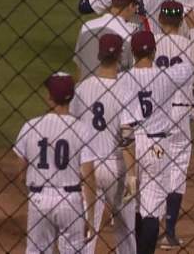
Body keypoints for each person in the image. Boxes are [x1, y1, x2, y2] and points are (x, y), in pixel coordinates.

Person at [117, 31, 194, 254]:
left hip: (132, 146)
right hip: (157, 149)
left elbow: (123, 124)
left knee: (133, 205)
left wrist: (131, 171)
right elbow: (193, 63)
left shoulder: (123, 79)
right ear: (154, 52)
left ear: (133, 53)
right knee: (152, 210)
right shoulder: (168, 76)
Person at [152, 1, 194, 250]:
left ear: (160, 19)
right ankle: (169, 232)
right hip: (180, 120)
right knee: (177, 171)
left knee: (155, 167)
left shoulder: (151, 44)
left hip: (155, 120)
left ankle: (146, 225)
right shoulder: (193, 46)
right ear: (181, 21)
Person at [14, 73, 97, 253]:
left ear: (50, 97)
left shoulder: (31, 126)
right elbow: (89, 176)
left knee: (37, 250)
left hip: (39, 198)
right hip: (70, 200)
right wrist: (89, 216)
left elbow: (21, 170)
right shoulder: (82, 129)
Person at [71, 34, 136, 254]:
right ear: (119, 56)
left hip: (86, 166)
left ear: (99, 55)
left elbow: (70, 129)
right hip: (114, 166)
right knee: (125, 230)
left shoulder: (81, 89)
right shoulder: (125, 91)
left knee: (87, 228)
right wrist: (132, 174)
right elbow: (127, 137)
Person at [74, 0, 142, 76]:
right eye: (136, 6)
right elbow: (135, 73)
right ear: (130, 6)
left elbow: (79, 67)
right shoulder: (131, 34)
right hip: (114, 89)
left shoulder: (86, 26)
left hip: (85, 87)